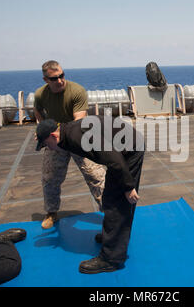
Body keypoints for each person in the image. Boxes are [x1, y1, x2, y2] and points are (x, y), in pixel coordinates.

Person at [35, 116, 144, 274]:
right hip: (120, 151)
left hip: (128, 151)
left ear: (54, 136)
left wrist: (128, 186)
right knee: (108, 198)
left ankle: (111, 258)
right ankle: (111, 238)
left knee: (117, 204)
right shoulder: (65, 132)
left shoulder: (76, 137)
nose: (49, 148)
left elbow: (112, 157)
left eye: (46, 144)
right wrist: (40, 133)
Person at [34, 60, 106, 229]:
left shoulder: (77, 91)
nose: (59, 81)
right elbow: (37, 110)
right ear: (46, 80)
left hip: (78, 138)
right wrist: (43, 129)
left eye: (62, 76)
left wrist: (60, 135)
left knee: (97, 176)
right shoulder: (40, 94)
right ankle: (51, 212)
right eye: (54, 78)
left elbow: (78, 122)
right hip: (55, 139)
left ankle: (109, 211)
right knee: (50, 178)